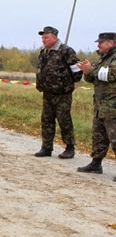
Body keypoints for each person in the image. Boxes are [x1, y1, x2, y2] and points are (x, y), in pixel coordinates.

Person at [34, 26, 83, 159]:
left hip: (62, 93)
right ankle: (46, 147)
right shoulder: (44, 52)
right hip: (47, 93)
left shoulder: (66, 51)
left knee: (64, 120)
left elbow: (77, 71)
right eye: (42, 37)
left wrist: (70, 83)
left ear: (54, 38)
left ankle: (70, 147)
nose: (43, 40)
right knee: (47, 120)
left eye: (46, 37)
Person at [76, 32, 116, 181]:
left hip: (113, 106)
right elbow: (93, 78)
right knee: (98, 136)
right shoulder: (102, 58)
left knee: (115, 137)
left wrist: (92, 70)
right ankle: (96, 163)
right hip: (101, 105)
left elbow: (111, 75)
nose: (98, 45)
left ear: (111, 43)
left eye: (101, 42)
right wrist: (86, 71)